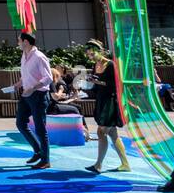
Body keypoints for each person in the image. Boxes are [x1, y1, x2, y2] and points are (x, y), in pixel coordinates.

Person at [84, 40, 131, 173]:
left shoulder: (110, 65)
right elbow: (96, 85)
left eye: (92, 54)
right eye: (89, 55)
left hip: (110, 102)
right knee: (112, 133)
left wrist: (97, 81)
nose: (90, 57)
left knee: (101, 131)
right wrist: (89, 83)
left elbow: (114, 85)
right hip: (101, 101)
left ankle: (98, 165)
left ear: (99, 51)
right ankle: (125, 164)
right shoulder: (96, 65)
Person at [16, 31, 53, 169]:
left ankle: (46, 160)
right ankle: (38, 151)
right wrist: (18, 84)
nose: (18, 43)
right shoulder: (24, 56)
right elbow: (26, 75)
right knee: (20, 123)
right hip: (27, 94)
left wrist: (33, 87)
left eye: (19, 40)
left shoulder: (39, 57)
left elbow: (48, 78)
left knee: (40, 129)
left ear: (26, 41)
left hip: (38, 95)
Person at [47, 66, 90, 141]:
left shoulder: (46, 82)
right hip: (52, 108)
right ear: (55, 76)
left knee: (76, 108)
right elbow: (55, 97)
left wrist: (61, 96)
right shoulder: (51, 83)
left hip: (49, 106)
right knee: (75, 109)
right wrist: (60, 90)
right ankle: (83, 132)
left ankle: (83, 130)